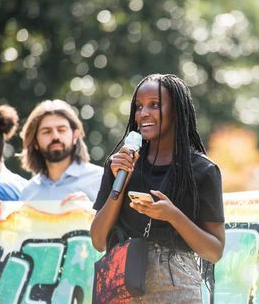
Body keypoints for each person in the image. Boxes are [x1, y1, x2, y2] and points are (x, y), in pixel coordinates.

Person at [91, 74, 225, 303]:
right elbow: (98, 240)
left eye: (154, 105)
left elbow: (214, 251)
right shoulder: (119, 164)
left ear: (177, 111)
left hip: (176, 286)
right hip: (122, 284)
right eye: (139, 106)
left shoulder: (202, 170)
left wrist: (172, 215)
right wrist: (120, 185)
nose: (144, 113)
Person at [20, 99, 103, 204]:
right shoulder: (27, 193)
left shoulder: (101, 180)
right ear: (35, 142)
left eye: (61, 130)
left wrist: (88, 210)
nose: (55, 136)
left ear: (75, 136)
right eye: (46, 131)